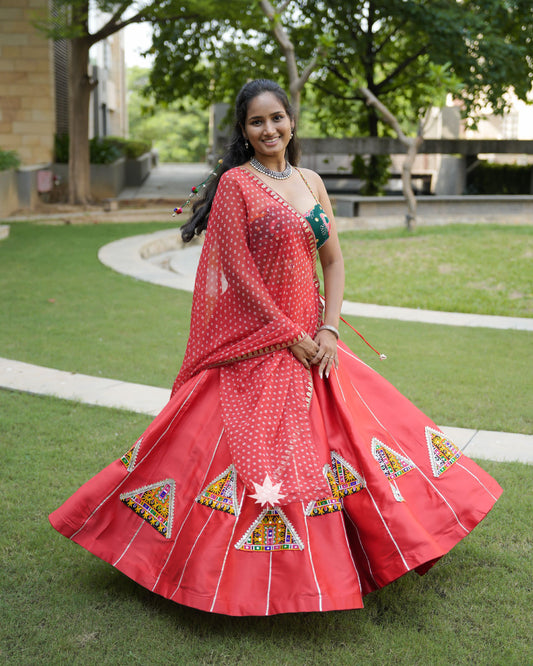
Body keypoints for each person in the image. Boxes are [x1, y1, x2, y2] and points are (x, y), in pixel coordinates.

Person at [50, 79, 502, 616]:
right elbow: (238, 276)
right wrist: (290, 336)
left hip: (317, 339)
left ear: (292, 122)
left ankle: (371, 553)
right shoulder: (238, 186)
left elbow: (332, 261)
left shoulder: (311, 182)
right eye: (257, 122)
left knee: (361, 439)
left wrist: (328, 332)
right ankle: (197, 567)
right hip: (259, 341)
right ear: (243, 131)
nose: (270, 129)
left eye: (277, 118)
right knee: (216, 451)